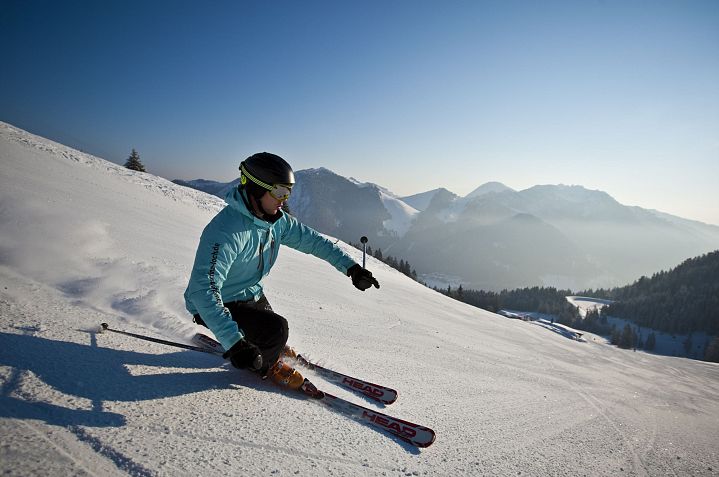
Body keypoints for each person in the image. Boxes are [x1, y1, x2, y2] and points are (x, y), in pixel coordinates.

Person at [184, 152, 379, 389]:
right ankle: (267, 366)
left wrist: (351, 268)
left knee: (272, 330)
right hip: (215, 305)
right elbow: (204, 290)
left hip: (250, 295)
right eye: (279, 192)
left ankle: (266, 346)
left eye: (288, 193)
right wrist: (235, 344)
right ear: (256, 189)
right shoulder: (226, 231)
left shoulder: (275, 222)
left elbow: (314, 241)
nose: (284, 200)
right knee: (276, 329)